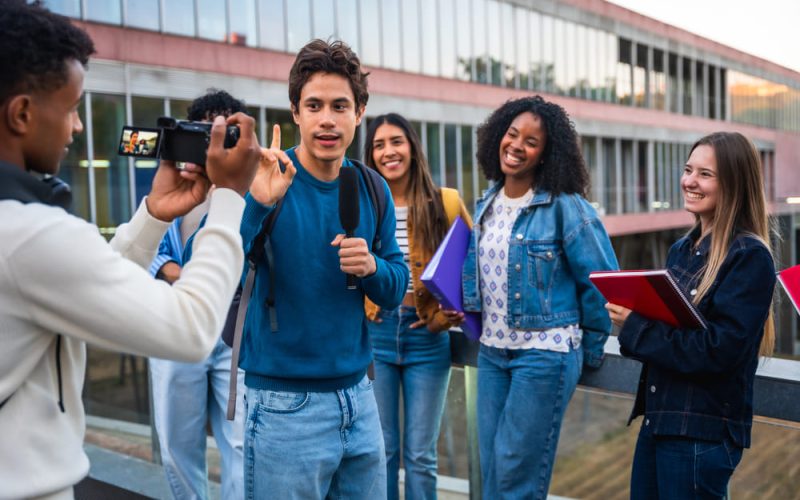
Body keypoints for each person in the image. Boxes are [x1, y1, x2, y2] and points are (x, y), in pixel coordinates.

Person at [0, 2, 261, 498]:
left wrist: (154, 212)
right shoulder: (30, 234)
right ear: (23, 114)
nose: (77, 128)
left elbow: (84, 284)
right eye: (73, 107)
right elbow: (190, 330)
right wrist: (229, 197)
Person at [238, 39, 408, 499]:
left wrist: (372, 266)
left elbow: (396, 286)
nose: (327, 119)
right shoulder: (265, 175)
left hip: (359, 398)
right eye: (314, 105)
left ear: (359, 112)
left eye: (340, 106)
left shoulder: (372, 185)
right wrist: (256, 204)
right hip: (282, 406)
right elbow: (219, 273)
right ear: (295, 112)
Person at [443, 95, 618, 499]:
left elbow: (602, 281)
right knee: (492, 473)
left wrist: (590, 349)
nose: (517, 145)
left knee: (514, 478)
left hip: (544, 353)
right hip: (491, 352)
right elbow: (482, 273)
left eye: (532, 141)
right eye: (512, 134)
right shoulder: (486, 203)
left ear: (546, 154)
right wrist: (465, 306)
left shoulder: (567, 208)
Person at [605, 131, 776, 500]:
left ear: (733, 183)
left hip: (702, 432)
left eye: (705, 174)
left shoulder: (749, 256)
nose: (689, 182)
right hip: (660, 419)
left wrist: (635, 327)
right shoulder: (682, 248)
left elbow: (718, 351)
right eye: (687, 170)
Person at [362, 113, 472, 500]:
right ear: (370, 154)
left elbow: (471, 265)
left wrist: (449, 314)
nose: (388, 151)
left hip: (427, 335)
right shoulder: (366, 202)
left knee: (421, 454)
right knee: (383, 449)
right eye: (379, 145)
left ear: (412, 147)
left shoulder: (446, 201)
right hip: (375, 333)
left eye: (396, 141)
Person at [148, 89, 248, 500]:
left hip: (232, 332)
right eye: (209, 131)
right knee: (176, 445)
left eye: (228, 132)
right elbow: (152, 248)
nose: (217, 140)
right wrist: (186, 275)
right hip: (175, 326)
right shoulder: (176, 187)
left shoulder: (249, 192)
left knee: (242, 443)